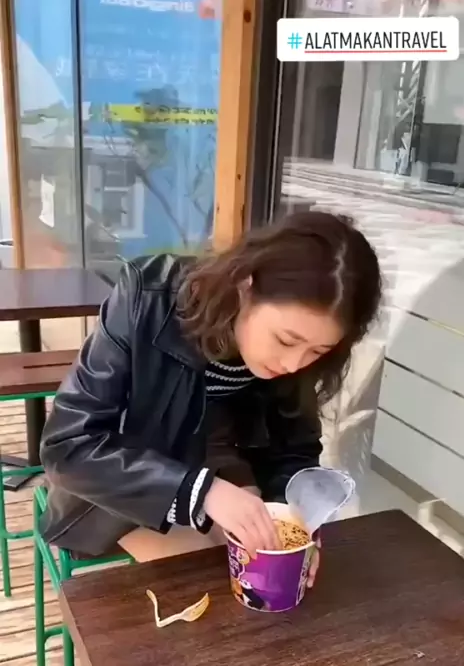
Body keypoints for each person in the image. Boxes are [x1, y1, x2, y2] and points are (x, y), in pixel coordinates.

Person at [39, 211, 381, 583]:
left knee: (263, 564)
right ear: (246, 285)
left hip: (215, 462)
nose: (294, 364)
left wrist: (294, 521)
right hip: (118, 485)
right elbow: (67, 446)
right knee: (216, 579)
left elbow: (292, 449)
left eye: (318, 351)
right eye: (285, 340)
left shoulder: (294, 357)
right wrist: (201, 492)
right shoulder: (147, 299)